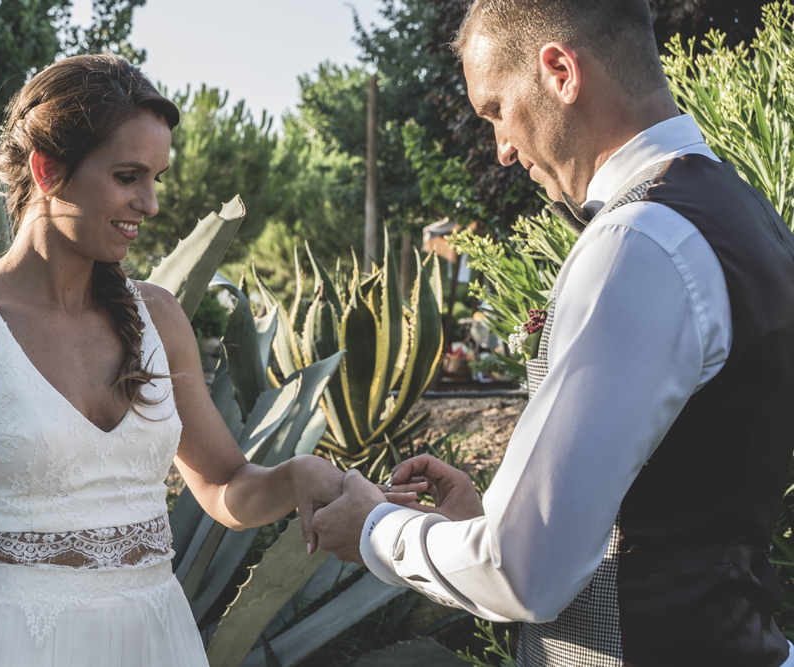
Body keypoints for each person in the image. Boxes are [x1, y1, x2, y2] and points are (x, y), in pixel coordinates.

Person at [311, 1, 794, 666]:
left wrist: (375, 526)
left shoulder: (639, 242)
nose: (503, 150)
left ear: (561, 71)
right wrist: (488, 521)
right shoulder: (746, 218)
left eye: (496, 111)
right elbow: (680, 502)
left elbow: (523, 570)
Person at [0, 54, 343, 667]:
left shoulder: (159, 317)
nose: (150, 204)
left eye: (156, 178)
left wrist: (296, 476)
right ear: (47, 170)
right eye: (128, 176)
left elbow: (227, 487)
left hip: (158, 642)